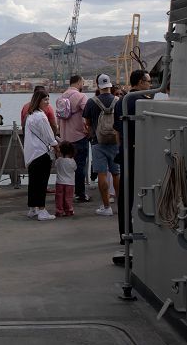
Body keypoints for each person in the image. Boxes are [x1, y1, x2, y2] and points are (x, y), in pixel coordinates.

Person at [113, 69, 154, 263]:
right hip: (138, 152)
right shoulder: (139, 101)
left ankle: (125, 232)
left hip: (126, 152)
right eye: (148, 80)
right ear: (139, 82)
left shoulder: (122, 100)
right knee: (140, 192)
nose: (151, 84)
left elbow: (117, 129)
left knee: (125, 195)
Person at [83, 73, 119, 217]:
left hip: (98, 142)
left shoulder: (92, 102)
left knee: (102, 174)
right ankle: (121, 205)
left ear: (98, 86)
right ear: (110, 85)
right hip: (115, 142)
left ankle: (106, 207)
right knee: (116, 173)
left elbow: (87, 123)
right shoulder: (118, 100)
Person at [23, 90, 58, 221]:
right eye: (45, 100)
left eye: (48, 99)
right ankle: (42, 210)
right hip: (42, 152)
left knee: (33, 182)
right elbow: (49, 136)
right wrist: (56, 146)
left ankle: (32, 208)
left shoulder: (30, 115)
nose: (48, 102)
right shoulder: (41, 117)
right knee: (42, 183)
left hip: (31, 153)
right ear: (38, 101)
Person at [55, 75, 90, 202]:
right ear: (79, 82)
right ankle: (80, 194)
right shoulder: (81, 96)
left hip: (65, 138)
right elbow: (87, 113)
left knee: (65, 167)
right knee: (80, 166)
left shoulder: (60, 97)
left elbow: (58, 119)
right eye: (83, 82)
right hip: (79, 136)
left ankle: (65, 192)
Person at [53, 141, 77, 217]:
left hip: (59, 182)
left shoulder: (59, 160)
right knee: (68, 197)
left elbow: (56, 165)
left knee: (59, 198)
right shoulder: (72, 161)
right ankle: (69, 210)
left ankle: (59, 210)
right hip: (70, 183)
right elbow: (75, 168)